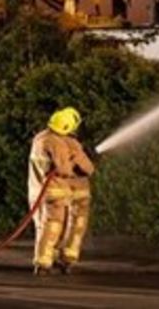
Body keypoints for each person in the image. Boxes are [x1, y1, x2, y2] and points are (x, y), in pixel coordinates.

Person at [28, 107, 93, 275]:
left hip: (42, 190)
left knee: (50, 225)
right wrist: (81, 159)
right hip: (60, 190)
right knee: (62, 225)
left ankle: (47, 260)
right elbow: (68, 168)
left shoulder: (40, 139)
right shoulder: (61, 142)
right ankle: (59, 260)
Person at [58, 111, 95, 274]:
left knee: (55, 224)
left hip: (58, 192)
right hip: (77, 193)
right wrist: (90, 160)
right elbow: (87, 168)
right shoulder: (72, 144)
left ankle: (51, 257)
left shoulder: (49, 142)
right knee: (76, 225)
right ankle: (67, 260)